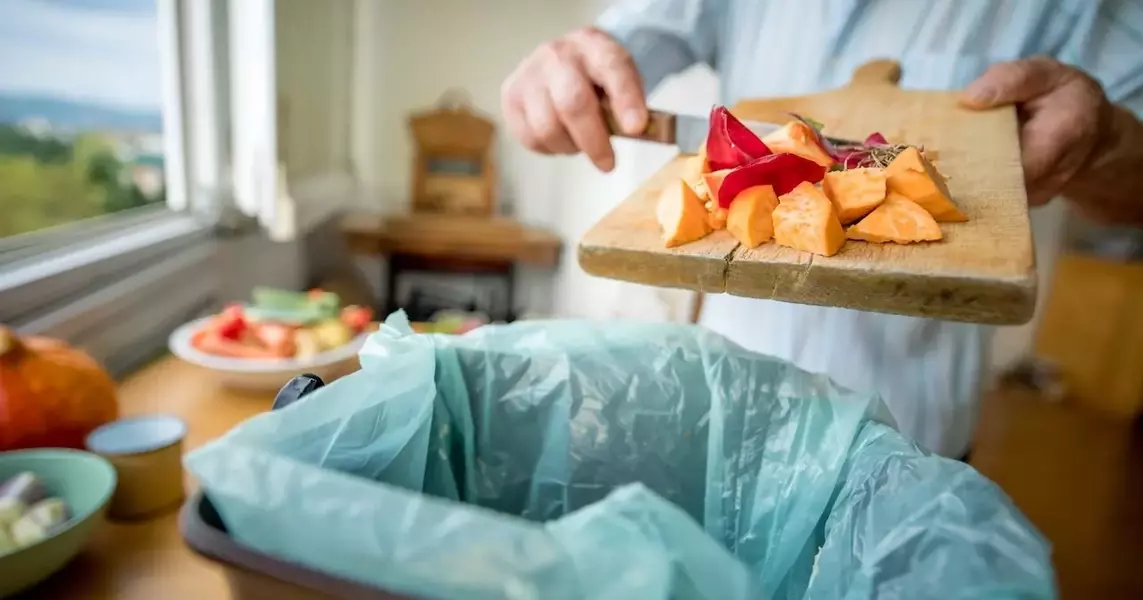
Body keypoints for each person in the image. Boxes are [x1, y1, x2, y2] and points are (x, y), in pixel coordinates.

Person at [500, 0, 1143, 459]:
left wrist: (1110, 140)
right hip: (725, 417)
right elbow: (619, 44)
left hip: (912, 442)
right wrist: (567, 71)